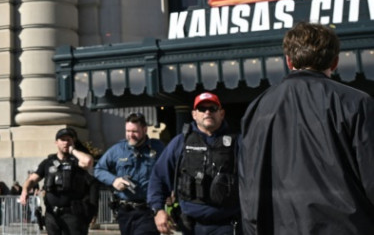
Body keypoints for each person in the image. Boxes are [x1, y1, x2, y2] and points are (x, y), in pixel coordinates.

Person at [239, 22, 374, 233]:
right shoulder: (355, 103)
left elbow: (248, 184)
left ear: (288, 61)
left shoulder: (257, 109)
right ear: (335, 61)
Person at [147, 92, 240, 234]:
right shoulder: (180, 142)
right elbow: (158, 177)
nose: (207, 112)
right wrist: (158, 210)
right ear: (194, 114)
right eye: (202, 109)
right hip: (190, 226)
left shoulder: (237, 142)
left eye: (213, 108)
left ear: (221, 113)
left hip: (228, 225)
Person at [94, 112, 165, 235]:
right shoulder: (117, 150)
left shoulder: (158, 148)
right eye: (127, 131)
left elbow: (169, 170)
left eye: (134, 131)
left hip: (148, 210)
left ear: (144, 129)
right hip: (125, 211)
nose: (130, 135)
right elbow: (98, 169)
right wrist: (114, 180)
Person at [19, 128, 96, 235]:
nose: (66, 142)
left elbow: (88, 162)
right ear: (56, 142)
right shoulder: (48, 162)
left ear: (73, 142)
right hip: (52, 215)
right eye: (62, 140)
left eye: (69, 140)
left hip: (73, 215)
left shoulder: (76, 161)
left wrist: (73, 150)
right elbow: (32, 179)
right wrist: (24, 191)